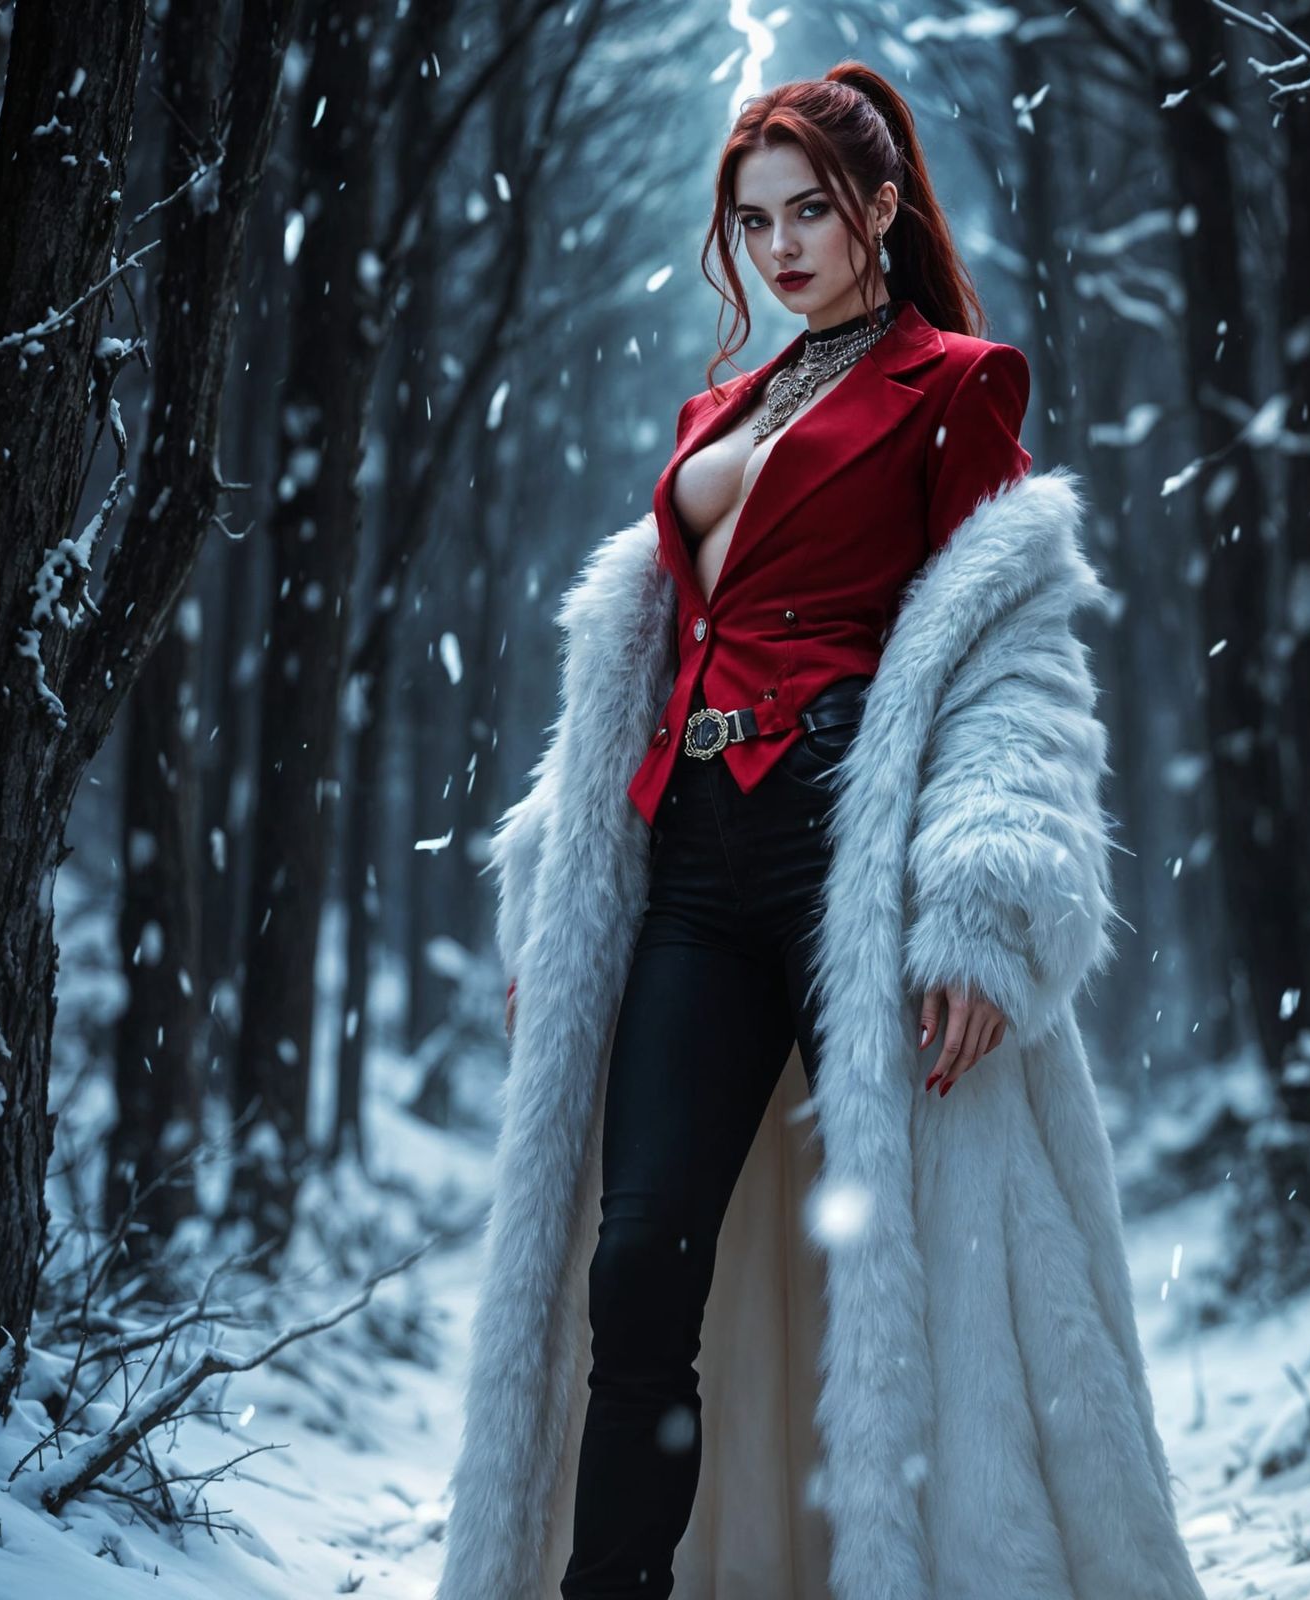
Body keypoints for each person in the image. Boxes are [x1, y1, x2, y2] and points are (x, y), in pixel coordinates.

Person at [438, 61, 1207, 1600]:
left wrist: (985, 902)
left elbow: (1007, 654)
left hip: (844, 856)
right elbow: (648, 656)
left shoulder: (960, 385)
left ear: (877, 207)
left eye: (810, 212)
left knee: (912, 1278)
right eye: (752, 221)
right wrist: (559, 891)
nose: (781, 247)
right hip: (687, 862)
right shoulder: (719, 404)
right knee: (638, 1258)